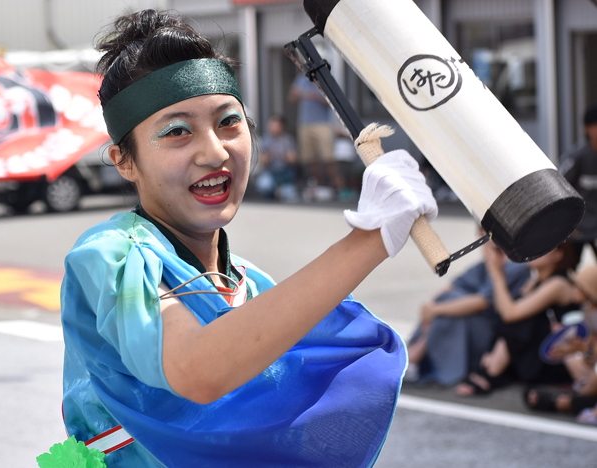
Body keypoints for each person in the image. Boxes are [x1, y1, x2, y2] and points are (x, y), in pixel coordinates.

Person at [52, 9, 437, 468]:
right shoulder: (112, 255)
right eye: (177, 132)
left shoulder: (250, 285)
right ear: (124, 160)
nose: (215, 152)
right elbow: (197, 368)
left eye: (229, 122)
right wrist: (368, 241)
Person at [456, 241, 581, 396]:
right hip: (535, 354)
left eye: (544, 248)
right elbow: (504, 311)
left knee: (523, 318)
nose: (535, 251)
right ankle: (492, 364)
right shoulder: (534, 281)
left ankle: (492, 370)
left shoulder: (558, 283)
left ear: (558, 255)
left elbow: (510, 314)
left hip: (555, 357)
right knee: (517, 313)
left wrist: (496, 273)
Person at [405, 233, 530, 386]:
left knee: (449, 306)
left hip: (491, 329)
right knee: (448, 300)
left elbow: (482, 302)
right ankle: (416, 357)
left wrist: (436, 309)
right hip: (476, 321)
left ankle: (416, 357)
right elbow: (454, 284)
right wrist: (430, 304)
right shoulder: (486, 264)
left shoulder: (515, 267)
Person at [524, 265, 597, 415]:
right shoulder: (586, 310)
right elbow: (590, 350)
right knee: (571, 358)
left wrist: (583, 348)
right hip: (592, 364)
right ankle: (580, 398)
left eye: (579, 286)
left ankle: (578, 401)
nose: (574, 288)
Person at [289, 71, 342, 197]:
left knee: (329, 157)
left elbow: (334, 102)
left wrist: (316, 96)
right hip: (305, 122)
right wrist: (300, 94)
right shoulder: (301, 78)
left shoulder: (324, 79)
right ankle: (320, 186)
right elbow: (292, 97)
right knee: (310, 158)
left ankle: (338, 188)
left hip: (322, 123)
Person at [560, 103, 597, 263]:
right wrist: (568, 222)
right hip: (578, 227)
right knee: (568, 267)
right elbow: (558, 187)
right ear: (588, 129)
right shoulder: (577, 156)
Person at [253, 114, 298, 201]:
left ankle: (281, 191)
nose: (273, 127)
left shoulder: (288, 139)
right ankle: (273, 193)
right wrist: (270, 155)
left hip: (285, 173)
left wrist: (282, 154)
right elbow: (262, 160)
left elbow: (292, 159)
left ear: (282, 126)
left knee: (290, 195)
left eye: (276, 125)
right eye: (271, 125)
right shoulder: (265, 139)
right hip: (271, 173)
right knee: (263, 185)